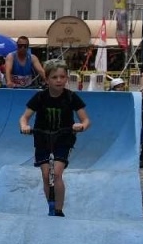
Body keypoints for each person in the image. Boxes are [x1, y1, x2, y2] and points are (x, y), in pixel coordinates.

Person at [19, 59, 90, 217]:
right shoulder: (40, 97)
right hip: (42, 137)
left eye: (62, 77)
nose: (59, 80)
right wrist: (24, 126)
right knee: (46, 175)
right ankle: (50, 206)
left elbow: (86, 120)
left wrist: (81, 126)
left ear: (66, 78)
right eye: (54, 77)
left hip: (63, 138)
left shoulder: (71, 97)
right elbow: (24, 118)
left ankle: (58, 209)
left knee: (57, 173)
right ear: (47, 79)